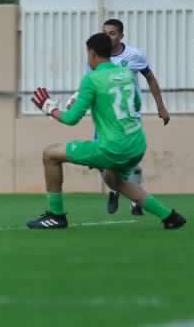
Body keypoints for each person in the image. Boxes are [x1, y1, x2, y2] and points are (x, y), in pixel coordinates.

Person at [27, 32, 185, 230]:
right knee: (115, 180)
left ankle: (56, 216)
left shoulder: (91, 79)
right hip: (137, 144)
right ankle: (169, 216)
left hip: (112, 148)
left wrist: (49, 108)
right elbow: (135, 103)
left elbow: (71, 118)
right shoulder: (126, 73)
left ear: (92, 54)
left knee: (50, 154)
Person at [66, 19, 170, 215]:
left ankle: (134, 201)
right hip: (106, 119)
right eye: (105, 32)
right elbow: (88, 85)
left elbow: (150, 78)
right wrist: (75, 97)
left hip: (129, 117)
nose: (108, 36)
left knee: (130, 161)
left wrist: (161, 107)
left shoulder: (134, 55)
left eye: (112, 33)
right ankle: (115, 188)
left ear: (121, 36)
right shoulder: (96, 59)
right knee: (101, 161)